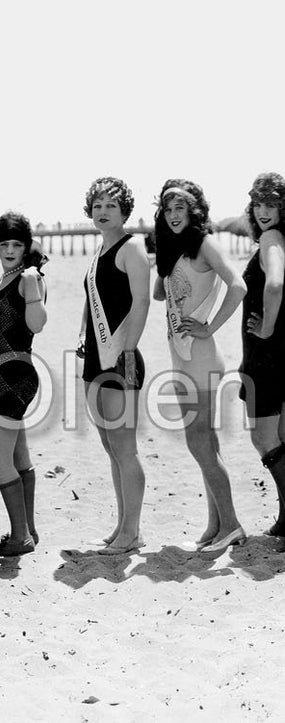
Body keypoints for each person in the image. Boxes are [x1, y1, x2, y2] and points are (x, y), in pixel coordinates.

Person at [151, 181, 246, 552]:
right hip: (182, 358)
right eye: (168, 209)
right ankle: (216, 524)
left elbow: (237, 286)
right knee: (207, 444)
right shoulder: (178, 248)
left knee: (198, 444)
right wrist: (164, 258)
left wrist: (210, 326)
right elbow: (161, 293)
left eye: (180, 208)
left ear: (194, 212)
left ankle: (233, 525)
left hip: (201, 359)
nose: (174, 215)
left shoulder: (206, 243)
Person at [77, 177, 151, 555]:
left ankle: (132, 533)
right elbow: (94, 306)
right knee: (110, 446)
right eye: (97, 205)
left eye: (110, 205)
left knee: (125, 448)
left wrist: (129, 350)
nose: (103, 211)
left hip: (121, 359)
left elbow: (141, 303)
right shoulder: (99, 254)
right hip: (94, 360)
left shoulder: (132, 248)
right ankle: (122, 527)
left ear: (124, 210)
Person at [0, 212, 49, 556]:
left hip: (10, 376)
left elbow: (36, 326)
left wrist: (33, 288)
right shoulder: (6, 277)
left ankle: (19, 536)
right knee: (18, 455)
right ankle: (28, 530)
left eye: (16, 244)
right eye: (3, 244)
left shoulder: (27, 279)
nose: (9, 250)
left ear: (26, 246)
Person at [239, 172, 285, 538]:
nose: (264, 211)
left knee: (263, 438)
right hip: (280, 352)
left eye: (271, 203)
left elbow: (275, 284)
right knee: (281, 436)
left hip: (266, 355)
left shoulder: (272, 238)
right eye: (258, 203)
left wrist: (267, 328)